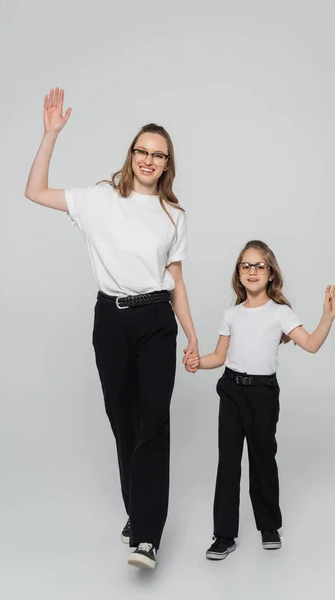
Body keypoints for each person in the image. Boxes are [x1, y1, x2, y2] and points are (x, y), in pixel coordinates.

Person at [25, 87, 198, 570]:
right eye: (142, 151)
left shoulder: (174, 214)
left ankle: (147, 536)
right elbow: (35, 191)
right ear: (131, 155)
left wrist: (192, 334)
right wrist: (50, 135)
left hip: (157, 320)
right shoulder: (99, 199)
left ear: (167, 164)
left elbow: (178, 281)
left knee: (154, 422)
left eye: (158, 155)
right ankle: (137, 511)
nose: (148, 160)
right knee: (124, 423)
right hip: (112, 320)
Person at [186, 240, 335, 560]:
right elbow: (219, 355)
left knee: (262, 459)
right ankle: (224, 534)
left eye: (259, 265)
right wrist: (196, 362)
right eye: (246, 265)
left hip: (262, 395)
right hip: (230, 391)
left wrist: (327, 317)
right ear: (238, 274)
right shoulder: (231, 314)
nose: (252, 271)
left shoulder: (280, 313)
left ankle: (268, 526)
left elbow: (311, 344)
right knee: (228, 462)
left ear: (271, 273)